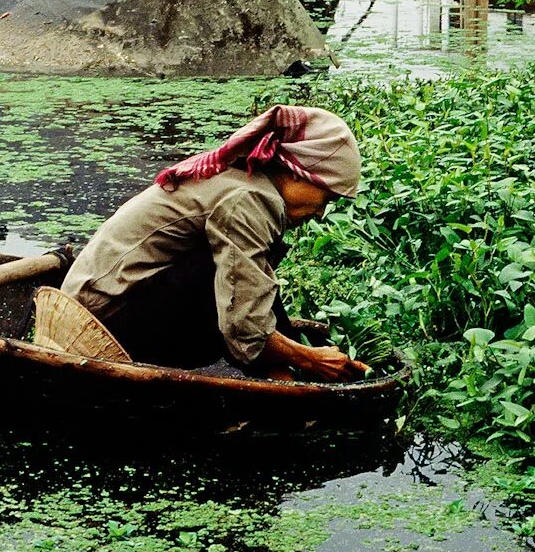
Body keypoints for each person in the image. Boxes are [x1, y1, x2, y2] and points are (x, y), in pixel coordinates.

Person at [61, 105, 370, 382]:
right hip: (101, 318)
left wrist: (290, 346)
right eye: (325, 199)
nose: (319, 213)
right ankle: (284, 383)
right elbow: (244, 324)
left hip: (113, 302)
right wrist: (306, 357)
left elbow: (253, 286)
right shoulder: (249, 199)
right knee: (230, 285)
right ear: (298, 173)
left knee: (248, 277)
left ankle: (283, 376)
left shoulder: (247, 185)